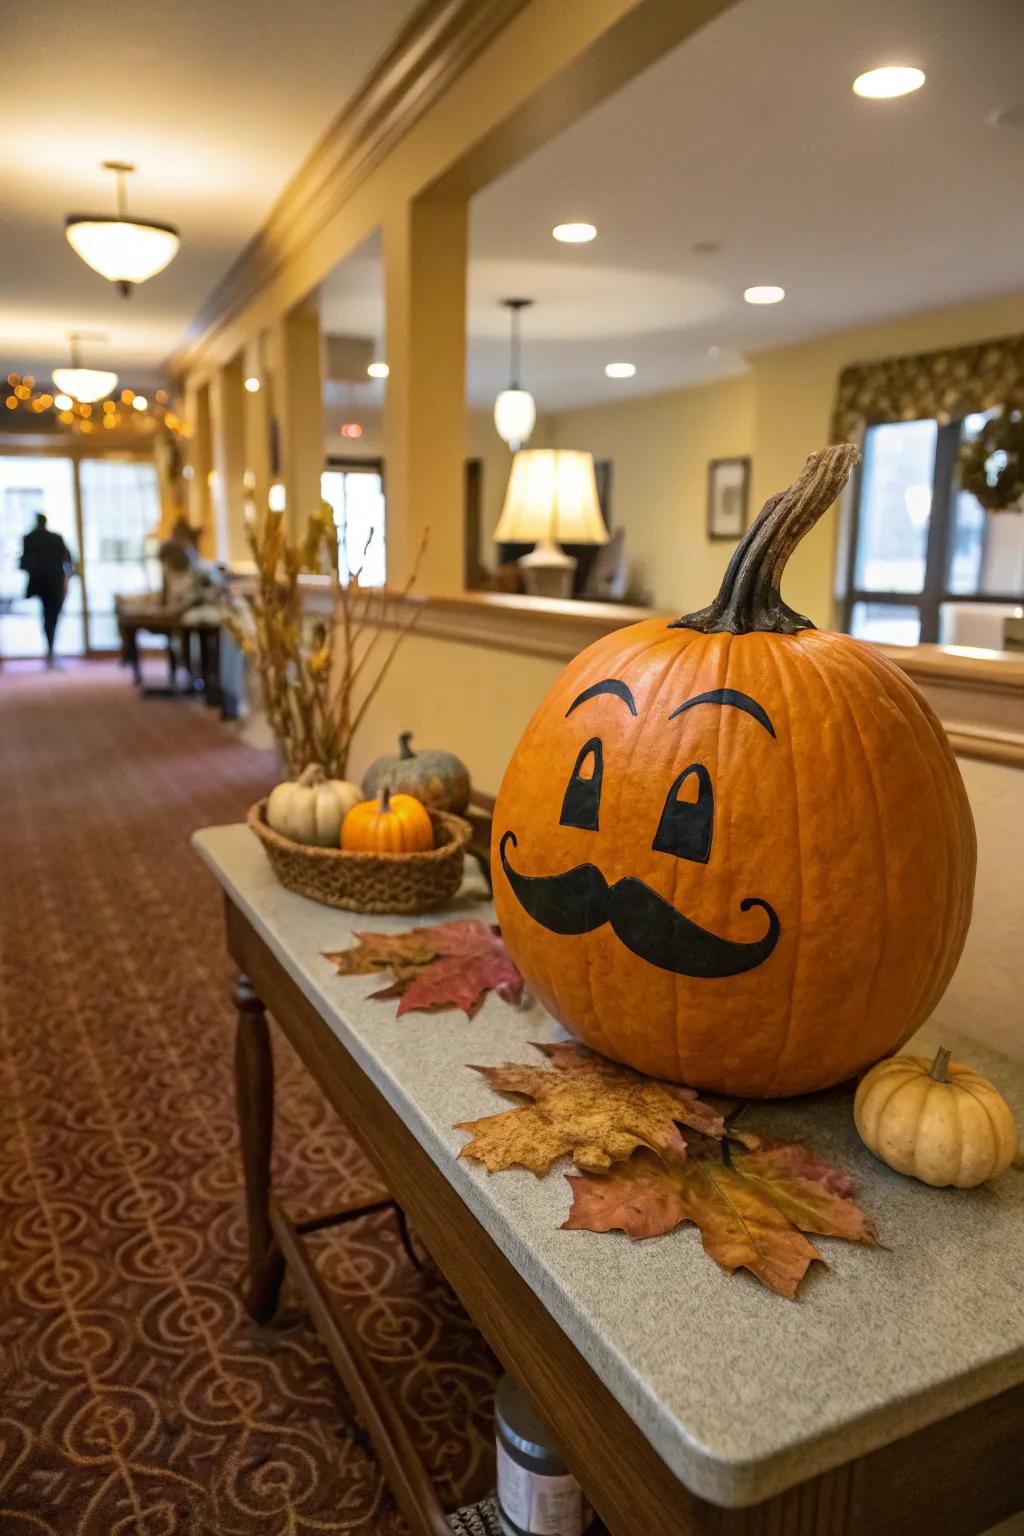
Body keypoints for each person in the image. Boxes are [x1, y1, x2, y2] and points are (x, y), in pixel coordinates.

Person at [19, 513, 74, 667]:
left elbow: (24, 563)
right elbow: (68, 559)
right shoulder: (55, 538)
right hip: (54, 582)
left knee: (47, 614)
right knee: (51, 614)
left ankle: (49, 645)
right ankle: (50, 645)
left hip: (40, 583)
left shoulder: (29, 538)